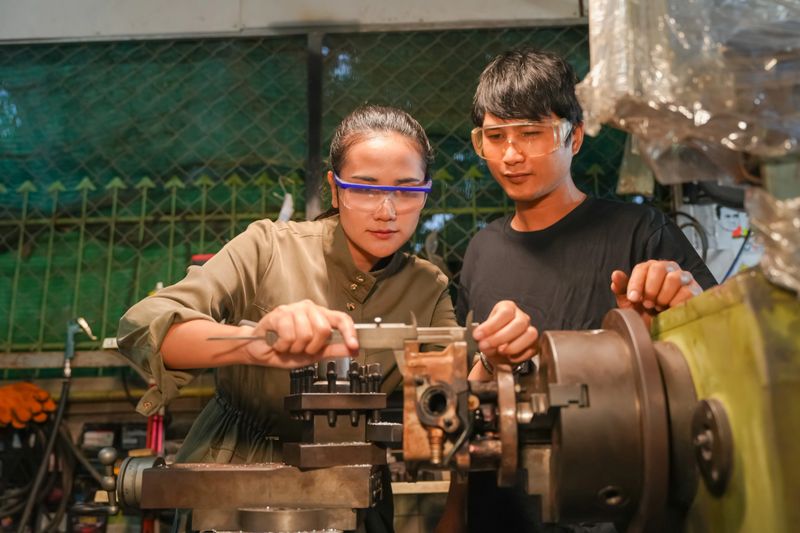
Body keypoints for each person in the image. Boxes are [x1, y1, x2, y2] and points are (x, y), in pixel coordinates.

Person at [117, 104, 537, 532]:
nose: (388, 211)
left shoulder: (427, 287)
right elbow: (145, 325)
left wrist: (496, 358)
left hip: (351, 491)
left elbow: (452, 398)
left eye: (408, 191)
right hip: (233, 480)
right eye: (365, 188)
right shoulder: (268, 249)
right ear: (335, 190)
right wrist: (255, 343)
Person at [443, 49, 717, 532]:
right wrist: (454, 511)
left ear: (575, 135)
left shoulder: (640, 232)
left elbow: (715, 357)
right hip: (502, 510)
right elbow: (467, 397)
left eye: (531, 134)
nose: (510, 155)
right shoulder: (481, 251)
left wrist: (679, 311)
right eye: (495, 136)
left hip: (614, 502)